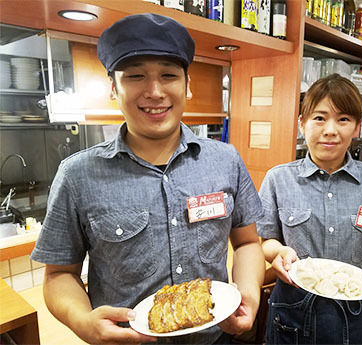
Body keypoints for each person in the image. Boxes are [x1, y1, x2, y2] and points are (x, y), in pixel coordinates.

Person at [31, 13, 265, 345]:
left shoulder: (225, 159)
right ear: (113, 87)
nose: (154, 92)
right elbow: (58, 275)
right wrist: (83, 322)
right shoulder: (77, 175)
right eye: (136, 76)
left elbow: (247, 243)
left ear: (187, 84)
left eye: (168, 75)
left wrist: (249, 296)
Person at [257, 73, 362, 345]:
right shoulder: (278, 178)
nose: (330, 130)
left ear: (357, 127)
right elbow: (265, 240)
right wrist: (279, 252)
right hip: (293, 313)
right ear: (302, 123)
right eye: (319, 118)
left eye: (343, 119)